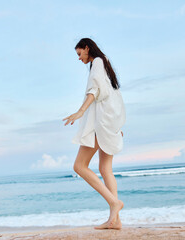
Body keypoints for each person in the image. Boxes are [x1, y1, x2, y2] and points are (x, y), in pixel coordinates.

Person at [63, 38, 126, 230]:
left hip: (100, 123)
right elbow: (113, 96)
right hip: (110, 121)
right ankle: (115, 221)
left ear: (87, 48)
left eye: (79, 53)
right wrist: (116, 125)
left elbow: (95, 90)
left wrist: (80, 112)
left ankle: (114, 203)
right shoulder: (104, 62)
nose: (79, 58)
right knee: (105, 168)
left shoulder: (97, 62)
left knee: (79, 166)